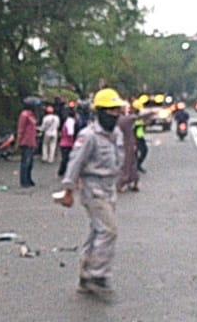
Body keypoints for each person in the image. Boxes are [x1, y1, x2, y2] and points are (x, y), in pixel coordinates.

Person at [57, 88, 126, 297]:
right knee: (109, 230)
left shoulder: (117, 134)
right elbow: (75, 162)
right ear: (100, 112)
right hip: (92, 188)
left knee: (98, 230)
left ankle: (86, 274)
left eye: (117, 111)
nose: (115, 115)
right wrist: (68, 189)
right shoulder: (88, 136)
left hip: (109, 187)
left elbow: (119, 158)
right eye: (110, 111)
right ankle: (97, 274)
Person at [115, 101, 140, 192]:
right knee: (128, 164)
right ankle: (125, 182)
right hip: (125, 143)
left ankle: (129, 182)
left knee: (128, 163)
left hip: (125, 143)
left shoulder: (119, 118)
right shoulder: (124, 119)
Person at [16, 97, 40, 187]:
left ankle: (29, 178)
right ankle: (24, 180)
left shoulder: (32, 115)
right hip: (25, 141)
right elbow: (20, 129)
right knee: (25, 162)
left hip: (32, 141)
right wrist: (18, 141)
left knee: (30, 163)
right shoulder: (24, 115)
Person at [57, 104, 77, 177]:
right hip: (68, 143)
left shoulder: (66, 120)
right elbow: (70, 133)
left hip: (63, 142)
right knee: (66, 158)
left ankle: (63, 172)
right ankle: (62, 172)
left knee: (66, 158)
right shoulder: (71, 121)